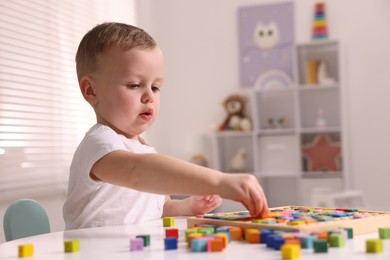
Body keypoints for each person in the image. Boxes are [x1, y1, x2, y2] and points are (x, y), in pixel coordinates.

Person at [63, 22, 268, 230]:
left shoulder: (144, 149)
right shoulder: (99, 143)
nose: (149, 96)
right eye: (134, 85)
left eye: (156, 87)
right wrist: (219, 181)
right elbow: (137, 172)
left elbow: (160, 208)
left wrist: (187, 205)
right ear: (91, 91)